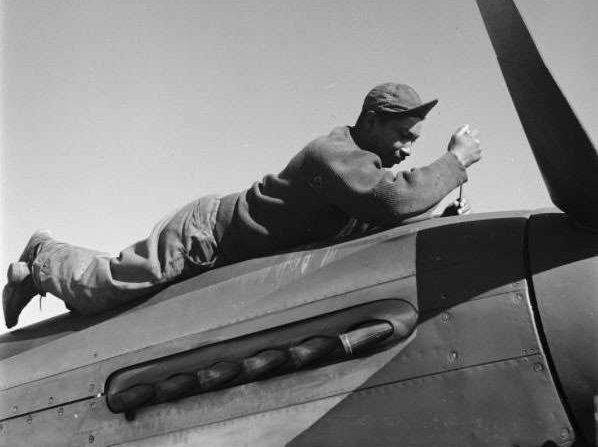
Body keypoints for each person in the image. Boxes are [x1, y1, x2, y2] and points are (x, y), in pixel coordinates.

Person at [3, 82, 482, 329]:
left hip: (224, 245)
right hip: (203, 238)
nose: (407, 150)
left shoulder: (362, 169)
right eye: (402, 137)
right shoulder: (335, 156)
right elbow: (394, 201)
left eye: (414, 143)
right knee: (106, 291)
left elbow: (383, 208)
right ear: (373, 122)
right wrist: (454, 162)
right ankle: (42, 256)